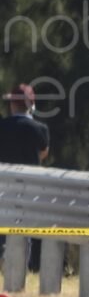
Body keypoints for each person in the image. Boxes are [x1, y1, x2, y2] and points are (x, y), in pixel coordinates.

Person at [0, 83, 51, 262]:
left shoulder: (2, 126)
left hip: (3, 186)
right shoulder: (40, 129)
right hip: (29, 189)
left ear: (13, 105)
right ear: (31, 105)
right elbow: (43, 153)